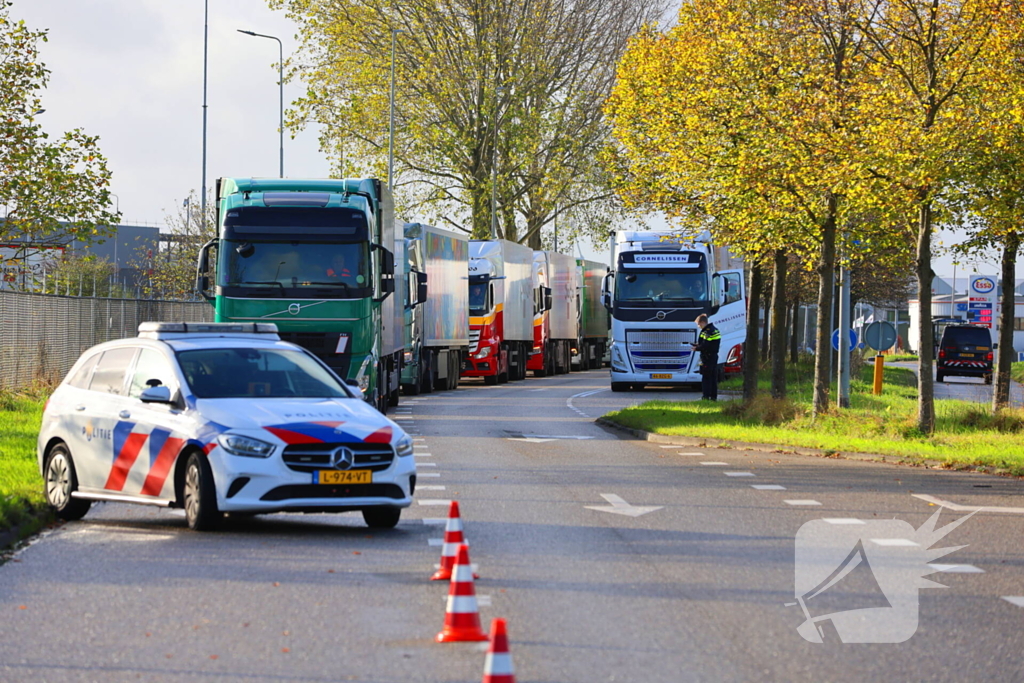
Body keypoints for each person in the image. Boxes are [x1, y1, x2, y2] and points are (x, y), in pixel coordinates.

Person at [691, 313, 721, 400]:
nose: (699, 326)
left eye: (699, 324)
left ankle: (706, 396)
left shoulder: (707, 332)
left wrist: (697, 348)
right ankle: (713, 397)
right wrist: (698, 345)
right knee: (713, 377)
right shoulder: (714, 330)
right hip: (713, 356)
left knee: (706, 377)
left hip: (708, 357)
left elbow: (706, 345)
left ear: (703, 322)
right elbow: (710, 343)